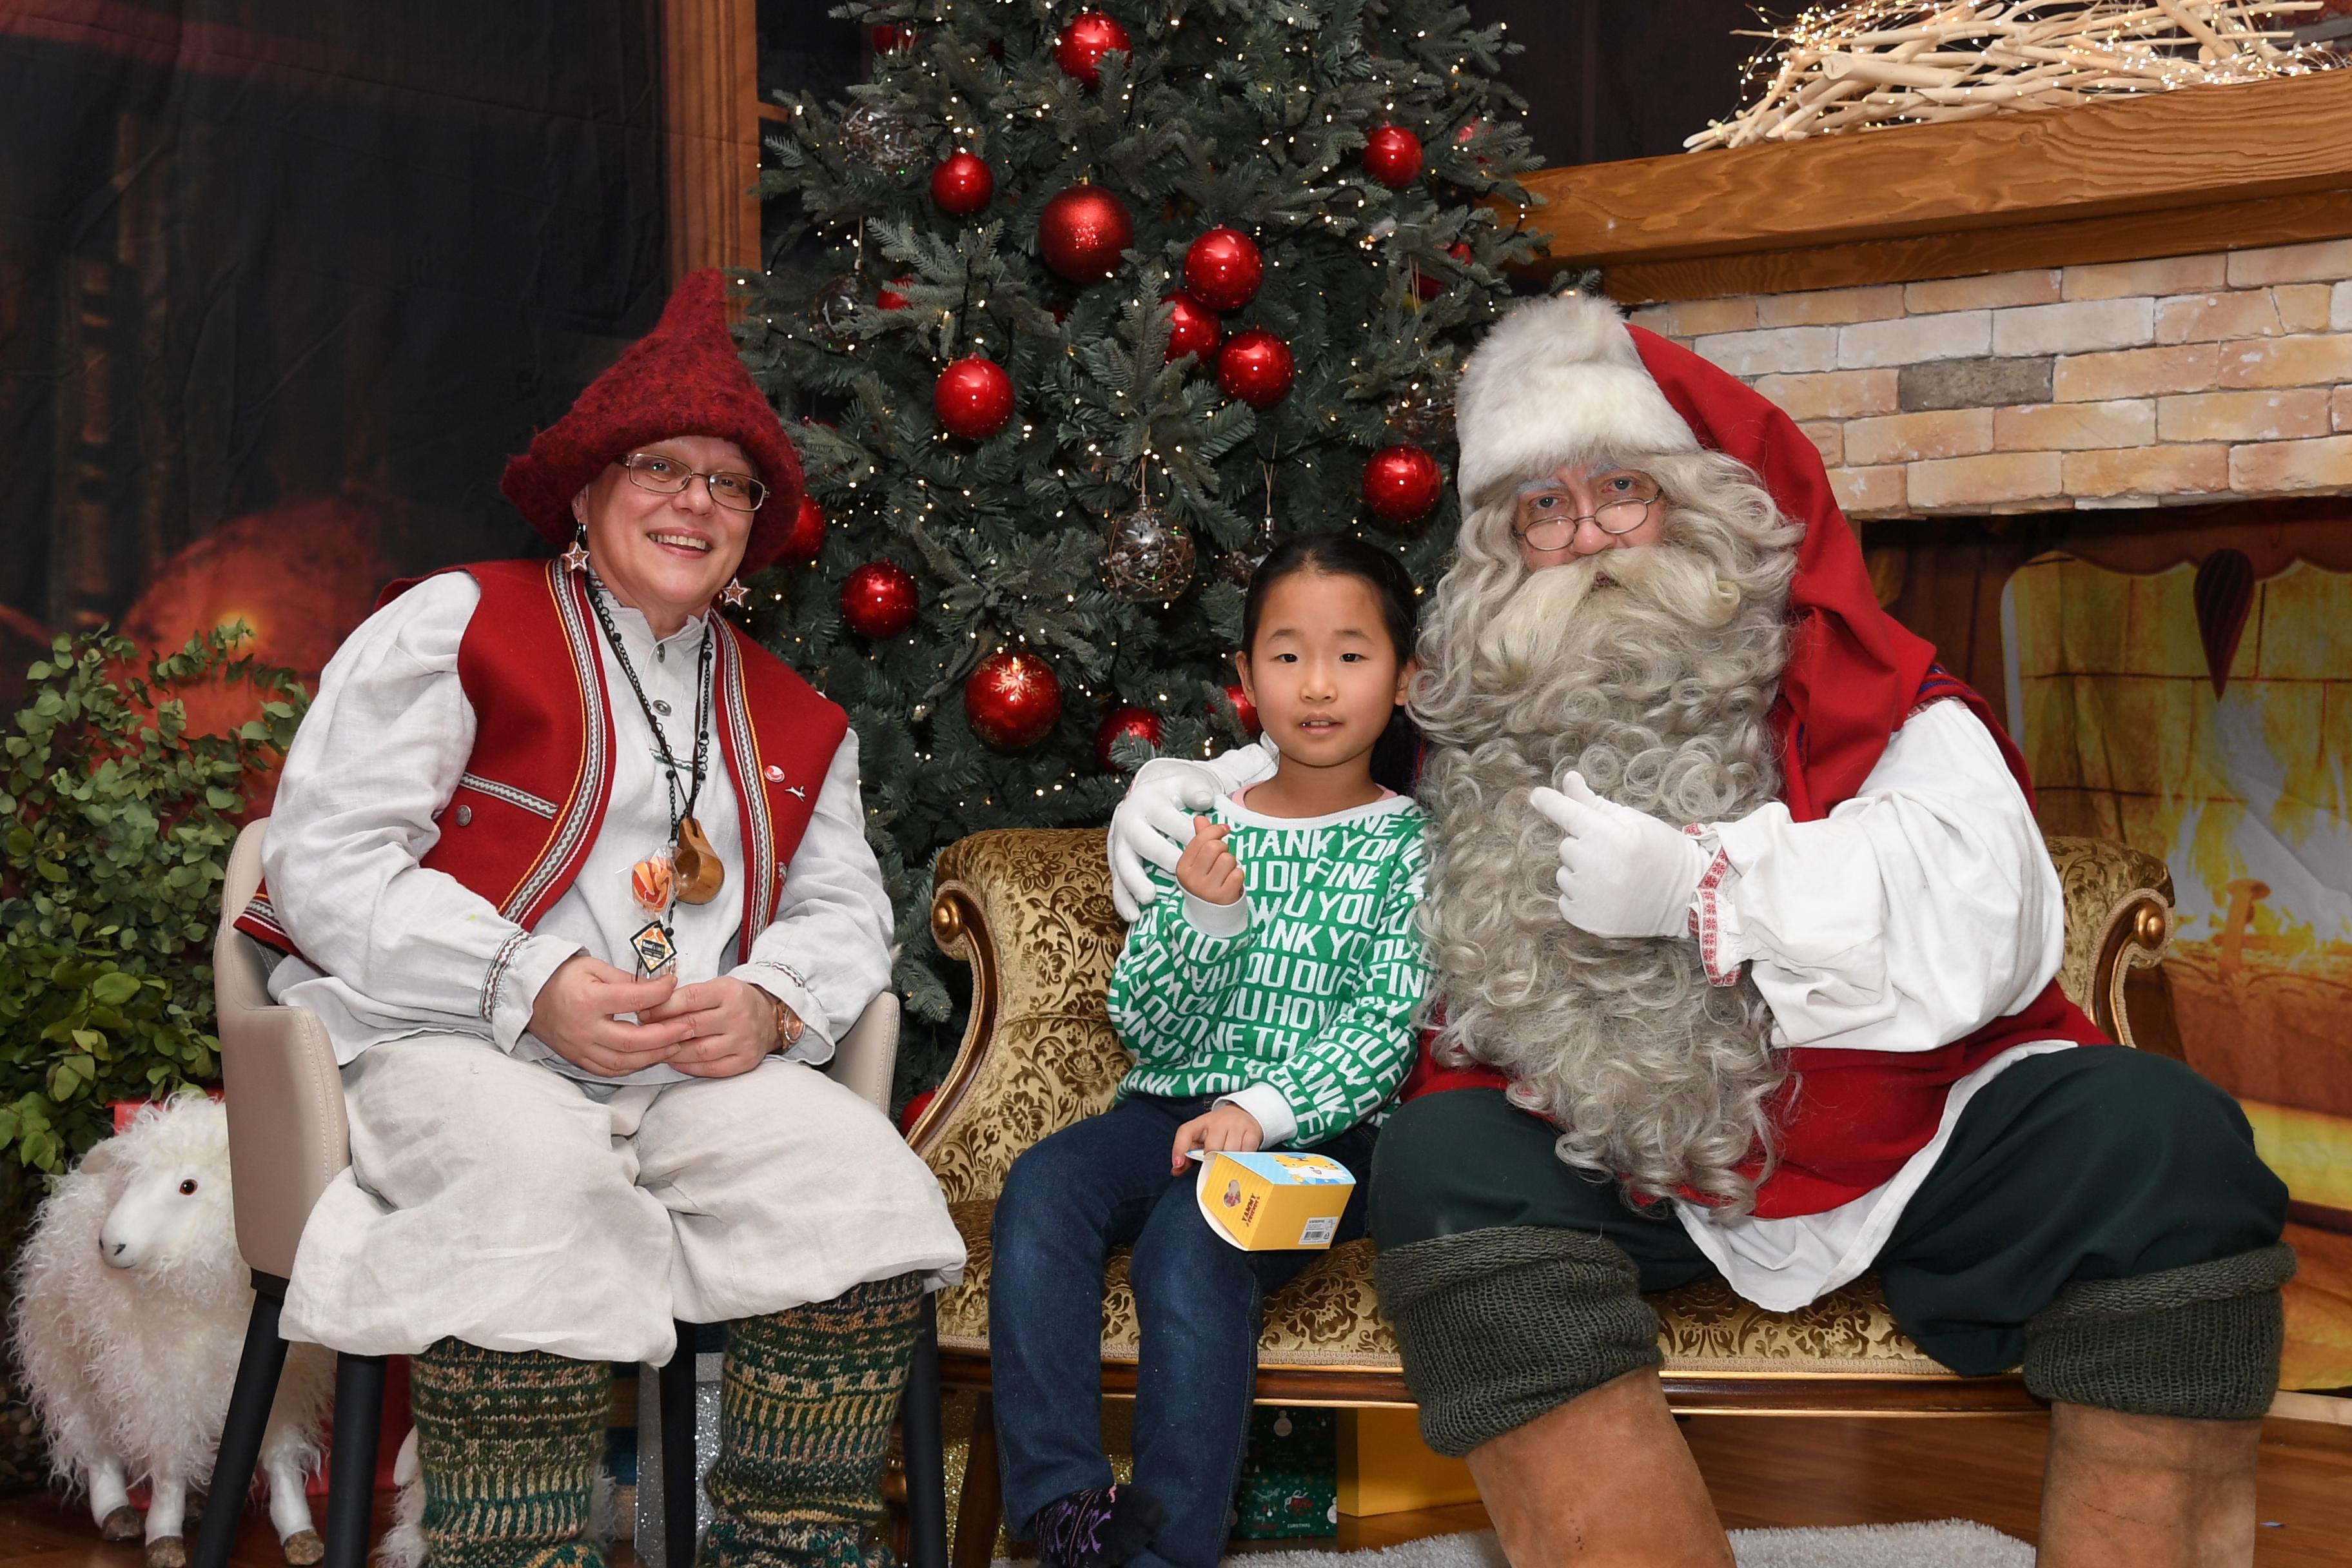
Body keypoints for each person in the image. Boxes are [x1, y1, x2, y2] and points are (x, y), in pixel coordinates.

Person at [1109, 294, 2291, 1567]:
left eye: (1622, 487)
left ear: (1706, 501)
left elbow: (1990, 917)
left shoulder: (1866, 684)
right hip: (1621, 1152)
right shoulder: (1492, 710)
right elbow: (1328, 740)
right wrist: (1191, 794)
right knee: (1443, 1165)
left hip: (1900, 1131)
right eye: (1543, 510)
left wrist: (1704, 887)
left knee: (2170, 1143)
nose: (1588, 538)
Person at [236, 270, 965, 1568]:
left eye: (727, 481)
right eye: (658, 467)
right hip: (448, 1044)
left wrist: (771, 997)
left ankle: (784, 1551)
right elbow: (322, 860)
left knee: (860, 1188)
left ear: (756, 524)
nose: (695, 500)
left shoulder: (801, 715)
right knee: (537, 1183)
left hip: (690, 1073)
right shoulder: (461, 623)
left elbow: (847, 904)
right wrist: (527, 976)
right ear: (583, 493)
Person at [992, 537, 1432, 1568]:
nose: (1317, 686)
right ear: (1244, 681)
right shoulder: (1203, 830)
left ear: (1405, 679)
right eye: (1286, 656)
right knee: (1046, 1186)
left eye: (1351, 656)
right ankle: (1062, 1501)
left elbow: (1381, 1033)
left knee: (1200, 1233)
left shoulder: (1417, 849)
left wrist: (1264, 1112)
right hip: (1165, 1114)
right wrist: (1207, 915)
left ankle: (1167, 1549)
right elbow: (1143, 1021)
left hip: (1326, 1142)